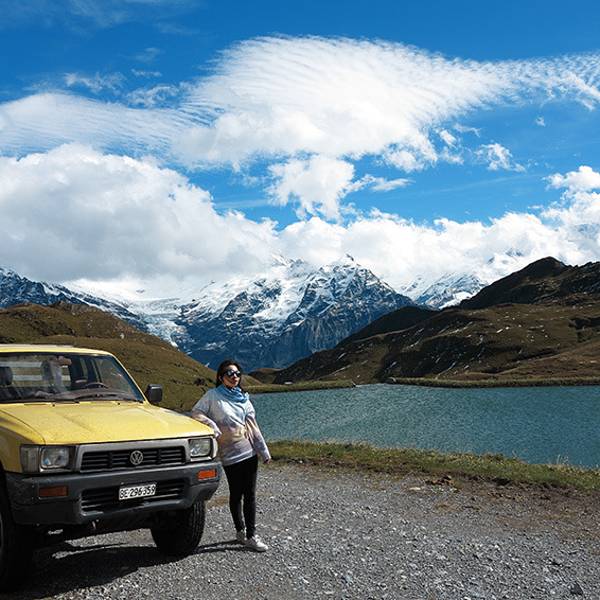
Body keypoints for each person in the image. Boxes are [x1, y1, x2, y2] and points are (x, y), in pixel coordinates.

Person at [191, 359, 271, 552]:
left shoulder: (243, 398)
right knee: (236, 493)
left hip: (249, 452)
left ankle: (251, 536)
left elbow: (253, 427)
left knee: (250, 494)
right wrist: (212, 426)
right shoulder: (212, 396)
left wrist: (263, 451)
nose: (234, 377)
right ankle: (240, 531)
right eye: (229, 373)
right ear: (221, 377)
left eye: (237, 373)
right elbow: (196, 412)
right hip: (229, 455)